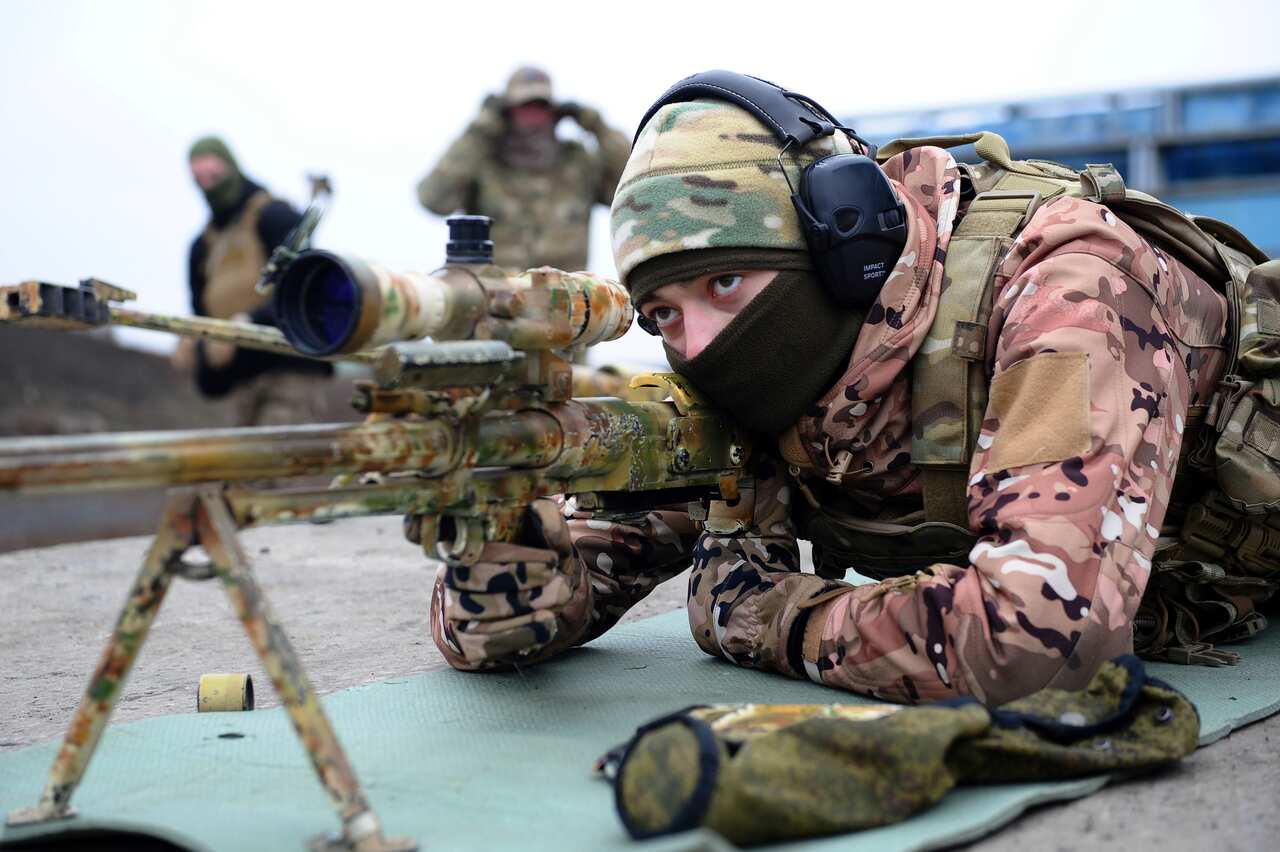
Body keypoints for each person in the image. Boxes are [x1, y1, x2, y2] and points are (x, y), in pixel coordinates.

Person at [427, 73, 1242, 706]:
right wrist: (507, 519)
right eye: (663, 314)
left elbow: (1041, 645)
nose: (701, 344)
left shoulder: (1062, 286)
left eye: (727, 280)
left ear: (842, 241)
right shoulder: (752, 380)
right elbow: (500, 633)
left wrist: (779, 619)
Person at [173, 136, 333, 426]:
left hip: (290, 370)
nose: (208, 184)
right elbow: (200, 312)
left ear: (230, 167)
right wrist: (196, 340)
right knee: (240, 467)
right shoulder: (202, 247)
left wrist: (249, 321)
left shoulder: (274, 217)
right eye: (199, 176)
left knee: (276, 461)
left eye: (213, 172)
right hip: (240, 380)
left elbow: (306, 288)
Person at [416, 66, 629, 273]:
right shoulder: (483, 163)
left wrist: (597, 125)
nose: (533, 118)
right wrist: (479, 131)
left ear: (553, 113)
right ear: (507, 113)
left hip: (565, 301)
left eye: (540, 108)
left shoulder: (577, 163)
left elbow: (630, 187)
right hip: (496, 301)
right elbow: (433, 200)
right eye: (525, 108)